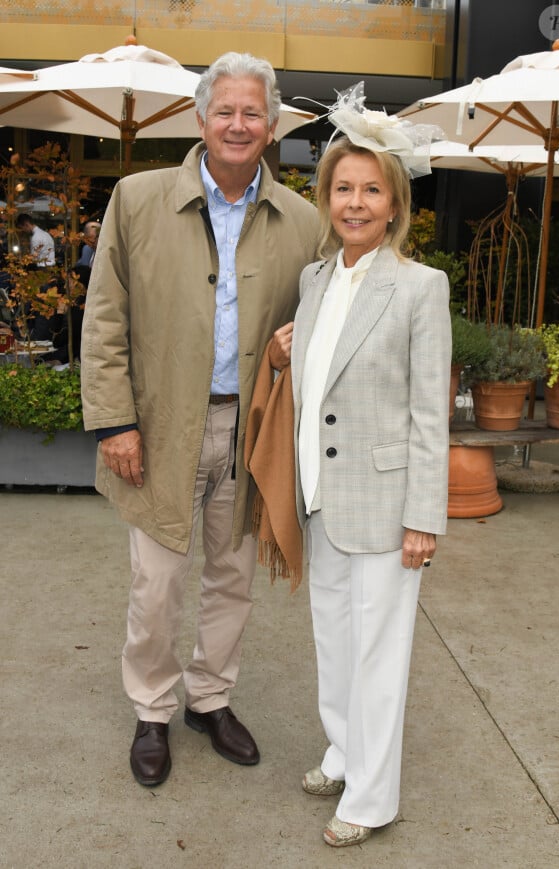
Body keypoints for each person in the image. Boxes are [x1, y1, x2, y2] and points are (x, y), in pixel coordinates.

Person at [81, 51, 319, 788]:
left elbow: (322, 322)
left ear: (272, 125)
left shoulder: (304, 221)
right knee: (156, 582)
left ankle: (210, 698)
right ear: (200, 118)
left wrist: (296, 348)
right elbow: (104, 316)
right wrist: (115, 421)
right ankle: (152, 708)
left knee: (232, 577)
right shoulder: (138, 198)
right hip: (158, 427)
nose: (238, 124)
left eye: (253, 112)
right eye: (226, 110)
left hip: (249, 430)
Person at [290, 89, 451, 847]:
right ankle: (343, 751)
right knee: (334, 637)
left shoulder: (422, 288)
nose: (355, 202)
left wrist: (425, 514)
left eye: (370, 190)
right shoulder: (316, 280)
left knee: (381, 652)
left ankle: (373, 796)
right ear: (326, 199)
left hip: (388, 506)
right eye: (342, 188)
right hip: (322, 497)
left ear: (394, 204)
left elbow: (430, 410)